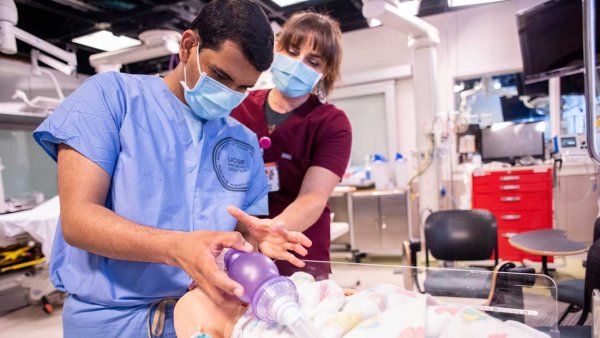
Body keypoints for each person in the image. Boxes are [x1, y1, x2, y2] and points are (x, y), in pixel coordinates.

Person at [32, 1, 310, 337]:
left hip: (200, 318)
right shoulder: (112, 98)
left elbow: (235, 233)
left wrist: (254, 238)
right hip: (109, 320)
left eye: (241, 88)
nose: (228, 94)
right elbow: (78, 220)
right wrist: (178, 248)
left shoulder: (243, 142)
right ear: (189, 45)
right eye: (220, 76)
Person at [231, 12, 352, 279]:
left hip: (296, 252)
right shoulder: (237, 107)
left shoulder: (331, 123)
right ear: (277, 49)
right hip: (235, 245)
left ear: (325, 72)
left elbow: (313, 196)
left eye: (313, 61)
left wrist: (268, 235)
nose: (298, 64)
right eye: (293, 51)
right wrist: (246, 238)